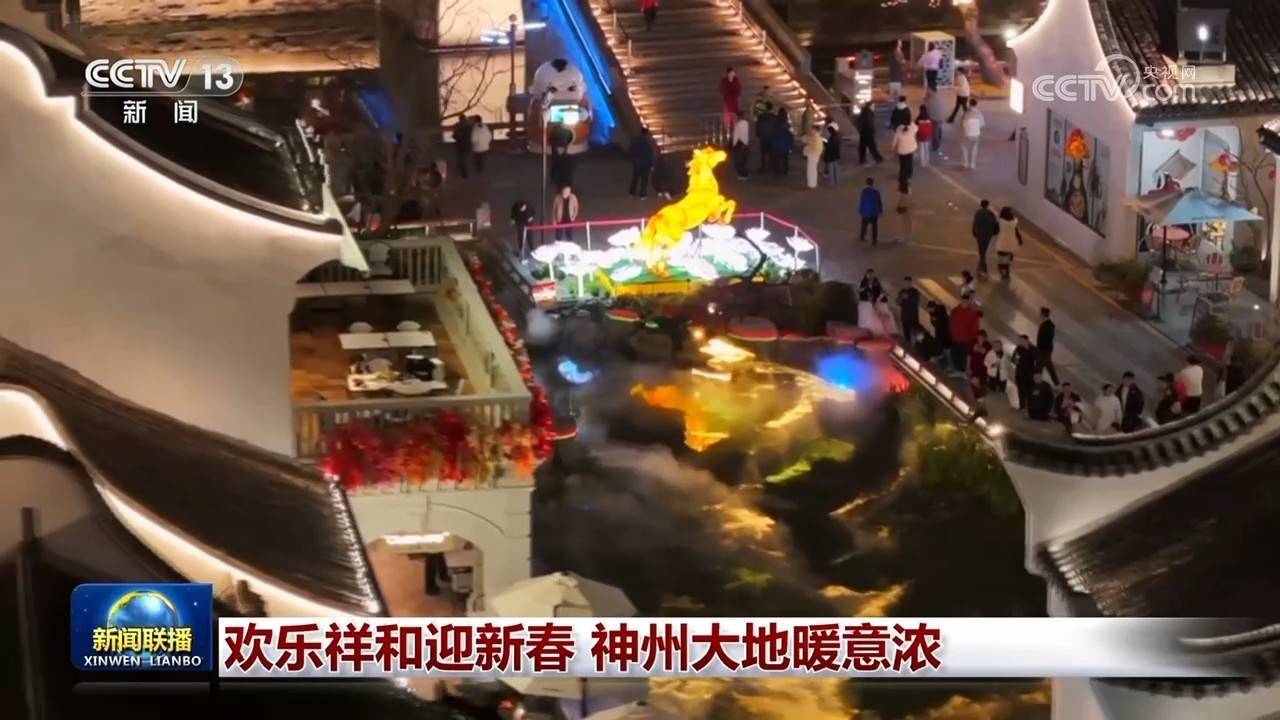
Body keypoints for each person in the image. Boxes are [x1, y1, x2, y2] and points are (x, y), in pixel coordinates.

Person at [949, 293, 982, 375]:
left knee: (963, 355)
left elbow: (975, 326)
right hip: (956, 338)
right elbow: (951, 323)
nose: (964, 303)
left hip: (966, 339)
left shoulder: (972, 312)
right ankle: (958, 370)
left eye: (966, 302)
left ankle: (961, 371)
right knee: (955, 354)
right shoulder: (955, 311)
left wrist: (975, 338)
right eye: (963, 301)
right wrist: (952, 333)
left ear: (968, 302)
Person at [994, 206, 1023, 279]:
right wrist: (1020, 240)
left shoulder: (1000, 221)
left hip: (1002, 242)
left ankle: (1001, 269)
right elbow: (1017, 232)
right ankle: (1007, 271)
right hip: (1010, 243)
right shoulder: (1014, 221)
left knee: (1001, 258)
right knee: (1007, 258)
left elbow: (995, 230)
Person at [972, 199, 998, 278]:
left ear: (981, 205)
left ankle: (983, 267)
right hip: (988, 235)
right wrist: (993, 233)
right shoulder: (991, 213)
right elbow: (995, 224)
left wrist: (974, 232)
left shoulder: (978, 213)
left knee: (981, 251)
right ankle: (982, 266)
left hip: (980, 235)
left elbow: (975, 223)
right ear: (987, 205)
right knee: (984, 250)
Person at [1012, 334, 1038, 411]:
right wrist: (1015, 361)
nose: (1020, 342)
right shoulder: (1018, 348)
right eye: (1019, 340)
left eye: (1022, 340)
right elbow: (1013, 359)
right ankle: (1022, 406)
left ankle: (1030, 406)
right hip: (1019, 372)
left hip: (1029, 373)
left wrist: (1027, 348)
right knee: (1020, 390)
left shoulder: (1033, 348)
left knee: (1029, 390)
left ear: (1026, 340)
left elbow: (1037, 358)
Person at [628, 127, 656, 198]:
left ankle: (632, 193)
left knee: (635, 178)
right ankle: (642, 194)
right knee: (644, 180)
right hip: (645, 163)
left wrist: (633, 159)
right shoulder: (648, 142)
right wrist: (652, 165)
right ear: (647, 134)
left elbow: (631, 150)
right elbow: (650, 154)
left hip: (637, 162)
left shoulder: (634, 140)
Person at [1037, 307, 1060, 385]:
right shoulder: (1045, 324)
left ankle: (1038, 382)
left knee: (1040, 366)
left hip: (1044, 350)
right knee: (1048, 366)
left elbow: (1048, 338)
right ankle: (1056, 382)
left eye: (1040, 313)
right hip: (1044, 350)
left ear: (1043, 314)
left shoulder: (1049, 325)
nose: (1039, 315)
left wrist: (1041, 348)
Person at [961, 98, 984, 169]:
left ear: (969, 104)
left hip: (967, 134)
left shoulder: (966, 113)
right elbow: (982, 124)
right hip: (976, 134)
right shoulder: (979, 114)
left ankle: (965, 163)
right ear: (976, 104)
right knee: (974, 147)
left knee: (964, 147)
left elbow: (962, 124)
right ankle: (972, 164)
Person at [892, 122, 917, 188]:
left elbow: (895, 140)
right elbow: (916, 128)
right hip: (910, 149)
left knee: (903, 165)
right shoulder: (912, 127)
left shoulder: (899, 129)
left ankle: (902, 177)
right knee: (910, 162)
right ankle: (909, 174)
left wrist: (893, 148)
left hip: (902, 151)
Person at [859, 178, 883, 245]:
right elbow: (879, 202)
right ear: (873, 183)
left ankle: (862, 236)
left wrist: (861, 210)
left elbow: (862, 201)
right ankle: (874, 240)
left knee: (864, 225)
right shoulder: (876, 192)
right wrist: (880, 210)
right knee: (874, 227)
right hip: (873, 212)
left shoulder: (864, 191)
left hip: (865, 211)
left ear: (866, 183)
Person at [770, 106, 794, 177]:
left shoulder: (775, 122)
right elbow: (790, 134)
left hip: (777, 142)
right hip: (785, 143)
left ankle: (777, 171)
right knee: (785, 157)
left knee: (777, 158)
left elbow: (773, 133)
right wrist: (791, 146)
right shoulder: (787, 124)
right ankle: (785, 170)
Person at [898, 276, 921, 341]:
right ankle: (908, 345)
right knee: (906, 335)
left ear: (910, 283)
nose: (905, 284)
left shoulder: (915, 291)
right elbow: (900, 303)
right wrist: (898, 301)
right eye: (904, 283)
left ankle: (915, 346)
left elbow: (916, 302)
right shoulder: (902, 291)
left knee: (914, 334)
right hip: (904, 317)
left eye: (907, 283)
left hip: (913, 317)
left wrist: (908, 297)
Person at [755, 103, 777, 172]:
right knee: (771, 152)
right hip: (772, 137)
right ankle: (770, 166)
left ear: (765, 108)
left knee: (763, 153)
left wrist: (758, 134)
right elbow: (777, 127)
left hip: (763, 137)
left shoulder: (761, 116)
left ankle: (763, 166)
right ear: (772, 108)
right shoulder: (774, 117)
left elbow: (757, 126)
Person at [451, 114, 473, 179]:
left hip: (460, 144)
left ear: (460, 119)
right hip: (468, 144)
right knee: (465, 158)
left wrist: (454, 136)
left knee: (461, 158)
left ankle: (464, 172)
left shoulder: (458, 125)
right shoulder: (470, 125)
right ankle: (462, 168)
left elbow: (456, 135)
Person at [821, 118, 842, 185]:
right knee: (836, 168)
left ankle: (832, 182)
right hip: (836, 155)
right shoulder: (837, 137)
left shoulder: (831, 138)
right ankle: (837, 180)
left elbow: (828, 145)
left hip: (830, 156)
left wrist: (824, 141)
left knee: (831, 169)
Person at [925, 88, 945, 155]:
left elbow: (927, 109)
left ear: (931, 90)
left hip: (934, 118)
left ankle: (936, 146)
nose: (926, 91)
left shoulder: (930, 99)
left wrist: (926, 99)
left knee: (934, 133)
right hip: (940, 116)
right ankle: (940, 138)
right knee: (939, 129)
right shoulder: (938, 95)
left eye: (928, 90)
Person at [732, 112, 751, 179]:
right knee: (744, 160)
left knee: (739, 160)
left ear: (738, 117)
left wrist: (733, 145)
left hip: (739, 144)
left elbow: (736, 135)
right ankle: (745, 174)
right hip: (746, 143)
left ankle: (742, 175)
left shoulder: (739, 124)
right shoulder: (746, 123)